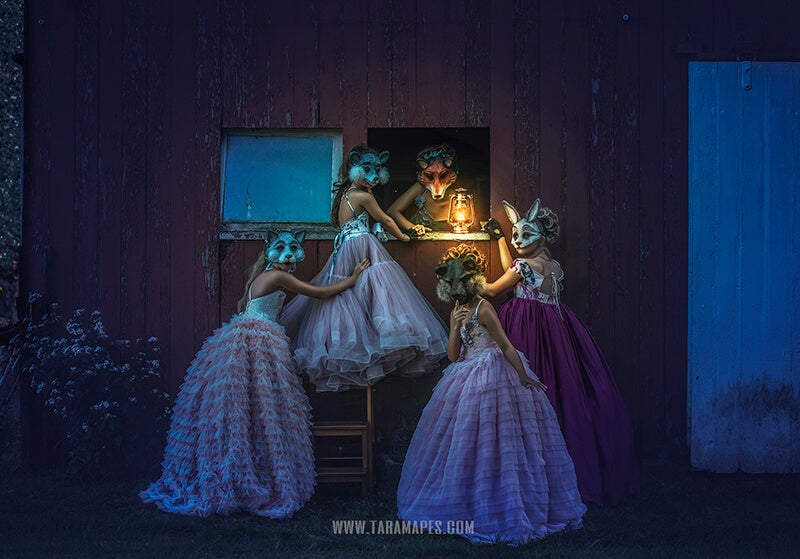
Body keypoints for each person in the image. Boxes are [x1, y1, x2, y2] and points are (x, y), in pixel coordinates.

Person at [140, 230, 370, 518]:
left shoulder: (262, 277)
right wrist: (354, 277)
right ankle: (250, 478)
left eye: (293, 252)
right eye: (284, 253)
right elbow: (319, 293)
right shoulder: (278, 276)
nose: (290, 259)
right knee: (261, 401)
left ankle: (243, 471)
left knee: (246, 404)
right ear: (273, 254)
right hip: (259, 340)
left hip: (244, 336)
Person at [397, 245, 586, 545]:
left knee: (501, 439)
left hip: (493, 370)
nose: (459, 293)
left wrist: (522, 376)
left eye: (462, 285)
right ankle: (468, 498)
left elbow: (506, 345)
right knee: (466, 439)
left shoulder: (484, 307)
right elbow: (452, 355)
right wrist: (456, 326)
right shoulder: (456, 312)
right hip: (466, 371)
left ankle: (506, 500)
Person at [481, 199, 640, 506]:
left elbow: (493, 288)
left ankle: (531, 478)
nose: (518, 242)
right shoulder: (553, 266)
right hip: (558, 327)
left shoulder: (523, 267)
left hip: (526, 327)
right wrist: (501, 238)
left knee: (526, 386)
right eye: (515, 236)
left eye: (525, 236)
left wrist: (465, 286)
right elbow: (514, 269)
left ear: (542, 235)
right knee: (564, 390)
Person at [280, 145, 448, 392]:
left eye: (376, 171)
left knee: (352, 294)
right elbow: (386, 219)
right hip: (361, 245)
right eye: (366, 170)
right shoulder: (365, 197)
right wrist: (402, 236)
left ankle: (363, 347)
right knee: (375, 288)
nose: (373, 177)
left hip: (345, 249)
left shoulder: (346, 196)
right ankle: (375, 344)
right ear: (354, 170)